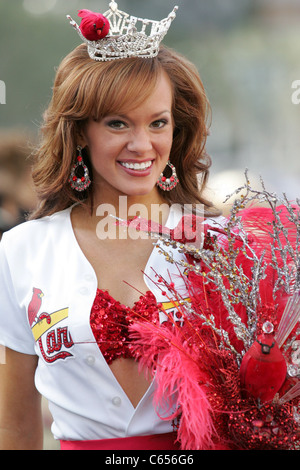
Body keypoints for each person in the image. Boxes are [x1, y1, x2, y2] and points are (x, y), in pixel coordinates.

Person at [0, 2, 220, 450]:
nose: (141, 145)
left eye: (158, 122)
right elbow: (15, 427)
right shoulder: (22, 250)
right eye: (117, 123)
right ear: (80, 131)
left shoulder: (222, 243)